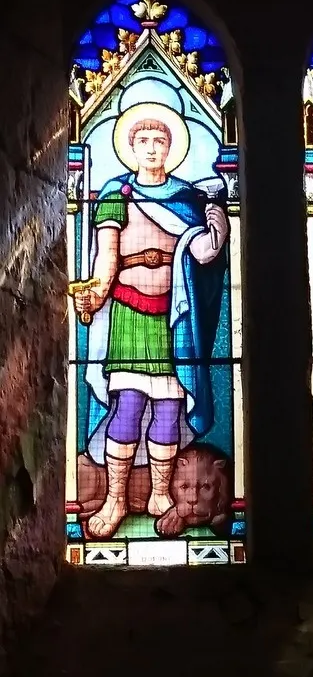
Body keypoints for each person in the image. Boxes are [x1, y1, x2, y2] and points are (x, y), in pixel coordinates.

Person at [73, 112, 228, 540]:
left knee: (169, 408)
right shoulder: (116, 194)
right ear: (132, 148)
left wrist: (217, 215)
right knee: (127, 405)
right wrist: (95, 294)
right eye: (143, 141)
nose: (152, 148)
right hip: (128, 312)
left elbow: (205, 253)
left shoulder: (187, 199)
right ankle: (116, 498)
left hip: (174, 317)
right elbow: (107, 256)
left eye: (159, 141)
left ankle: (161, 494)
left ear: (170, 149)